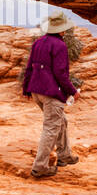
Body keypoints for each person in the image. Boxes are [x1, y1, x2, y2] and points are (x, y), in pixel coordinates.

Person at [21, 12, 79, 178]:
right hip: (50, 92)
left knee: (61, 121)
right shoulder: (60, 45)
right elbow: (61, 74)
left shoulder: (39, 42)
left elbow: (30, 67)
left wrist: (26, 88)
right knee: (50, 128)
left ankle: (65, 155)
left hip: (36, 90)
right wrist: (73, 91)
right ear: (62, 29)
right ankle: (40, 166)